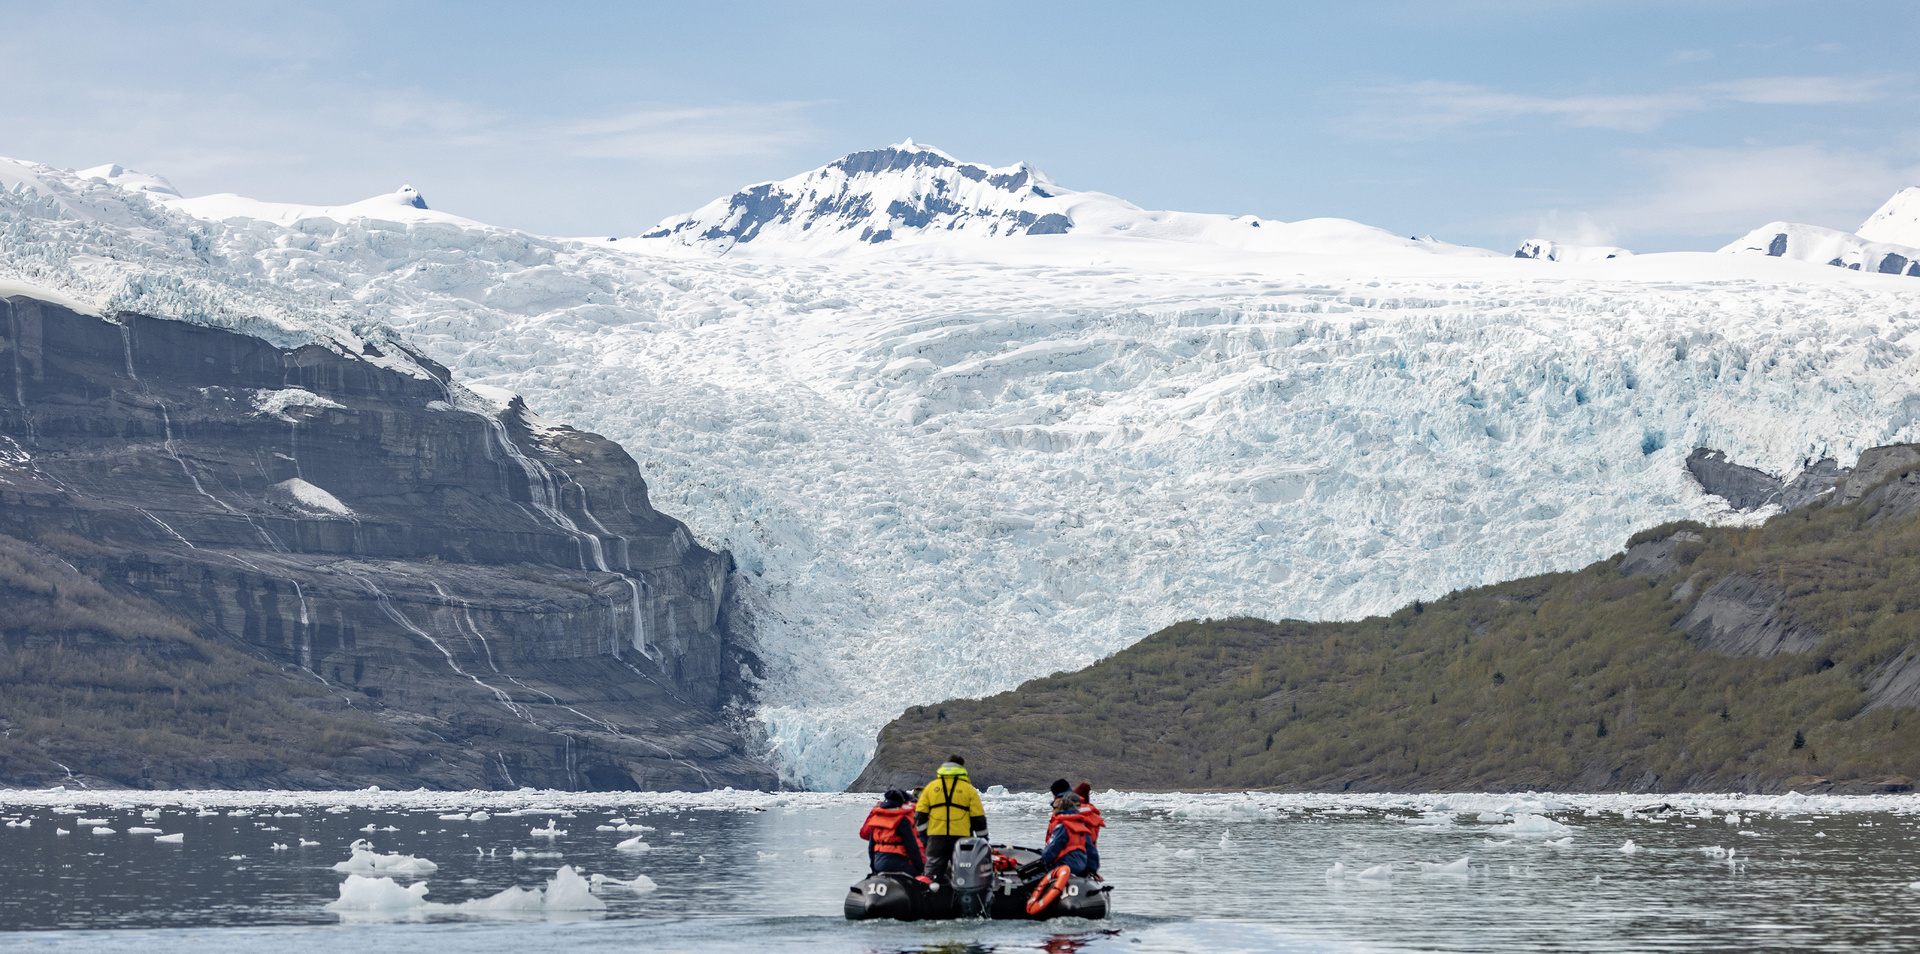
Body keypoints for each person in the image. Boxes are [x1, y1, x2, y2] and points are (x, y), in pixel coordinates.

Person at [915, 755, 988, 885]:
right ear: (962, 768)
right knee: (963, 872)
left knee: (932, 872)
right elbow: (978, 819)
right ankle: (962, 900)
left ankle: (926, 896)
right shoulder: (969, 790)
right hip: (962, 839)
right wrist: (984, 840)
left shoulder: (931, 788)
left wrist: (925, 836)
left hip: (936, 838)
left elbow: (919, 816)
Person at [859, 788, 924, 877]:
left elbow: (869, 844)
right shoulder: (903, 818)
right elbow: (912, 848)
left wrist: (874, 869)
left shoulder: (877, 817)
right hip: (899, 862)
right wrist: (921, 870)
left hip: (879, 864)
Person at [1037, 793, 1103, 876]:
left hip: (1065, 865)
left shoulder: (1062, 826)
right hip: (1081, 865)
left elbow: (1053, 848)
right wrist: (1093, 869)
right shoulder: (1082, 824)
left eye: (1054, 808)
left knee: (1036, 874)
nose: (1052, 811)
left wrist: (1044, 859)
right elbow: (1091, 849)